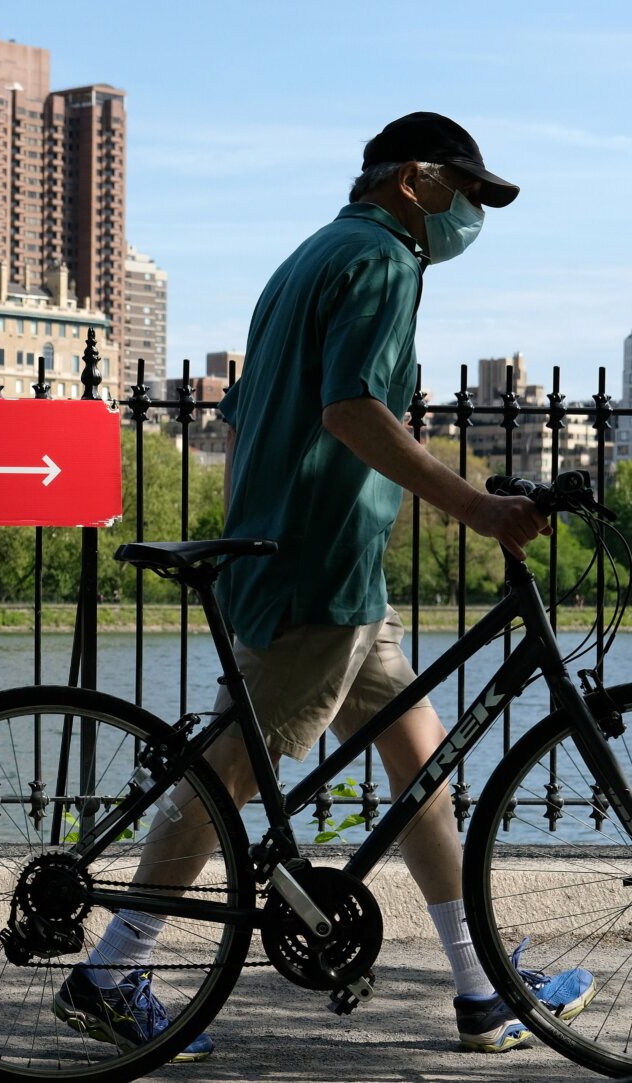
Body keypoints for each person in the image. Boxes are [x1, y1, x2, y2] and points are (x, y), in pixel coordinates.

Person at [57, 113, 593, 1061]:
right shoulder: (383, 260)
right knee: (222, 778)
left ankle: (483, 988)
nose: (473, 214)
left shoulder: (317, 252)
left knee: (424, 770)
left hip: (331, 565)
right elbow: (349, 411)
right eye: (468, 192)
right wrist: (475, 504)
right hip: (312, 569)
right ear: (417, 180)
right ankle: (108, 969)